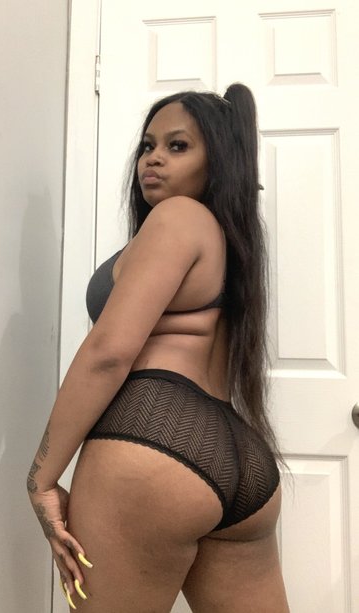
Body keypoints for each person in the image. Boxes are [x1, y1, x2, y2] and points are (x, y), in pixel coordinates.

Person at [27, 84, 290, 612]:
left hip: (153, 444)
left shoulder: (177, 217)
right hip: (241, 459)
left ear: (218, 161)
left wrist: (42, 478)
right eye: (148, 146)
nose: (153, 159)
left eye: (177, 146)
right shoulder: (230, 240)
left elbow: (108, 353)